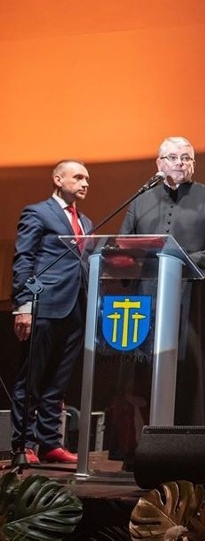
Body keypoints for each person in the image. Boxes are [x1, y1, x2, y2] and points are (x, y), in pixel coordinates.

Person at [119, 136, 205, 426]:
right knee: (144, 377)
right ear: (159, 163)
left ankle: (191, 446)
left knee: (191, 374)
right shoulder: (141, 200)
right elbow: (122, 246)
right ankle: (139, 448)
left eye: (186, 158)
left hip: (194, 299)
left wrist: (182, 263)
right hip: (146, 301)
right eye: (173, 157)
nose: (180, 163)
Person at [10, 160, 92, 465]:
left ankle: (49, 443)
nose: (85, 183)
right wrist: (23, 306)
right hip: (45, 305)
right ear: (58, 179)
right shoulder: (37, 212)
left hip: (77, 308)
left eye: (87, 179)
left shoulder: (86, 221)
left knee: (58, 381)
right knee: (31, 379)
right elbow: (24, 259)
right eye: (79, 177)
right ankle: (24, 444)